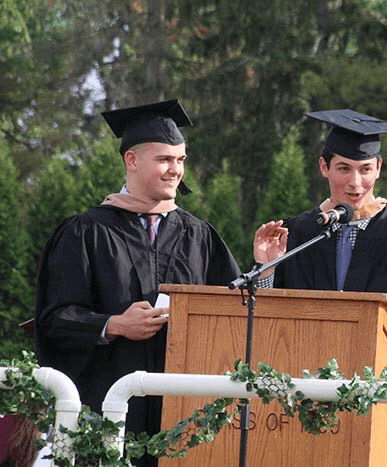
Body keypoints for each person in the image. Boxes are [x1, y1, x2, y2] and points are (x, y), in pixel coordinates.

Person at [252, 109, 387, 467]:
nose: (355, 183)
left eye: (365, 169)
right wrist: (266, 268)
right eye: (344, 169)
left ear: (379, 169)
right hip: (305, 413)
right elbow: (263, 329)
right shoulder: (297, 234)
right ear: (324, 167)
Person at [34, 99, 241, 465]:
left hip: (181, 417)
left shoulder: (199, 235)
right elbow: (54, 319)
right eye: (164, 159)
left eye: (180, 160)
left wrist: (265, 266)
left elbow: (232, 313)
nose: (175, 170)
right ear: (132, 160)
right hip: (105, 407)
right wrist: (113, 325)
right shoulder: (86, 231)